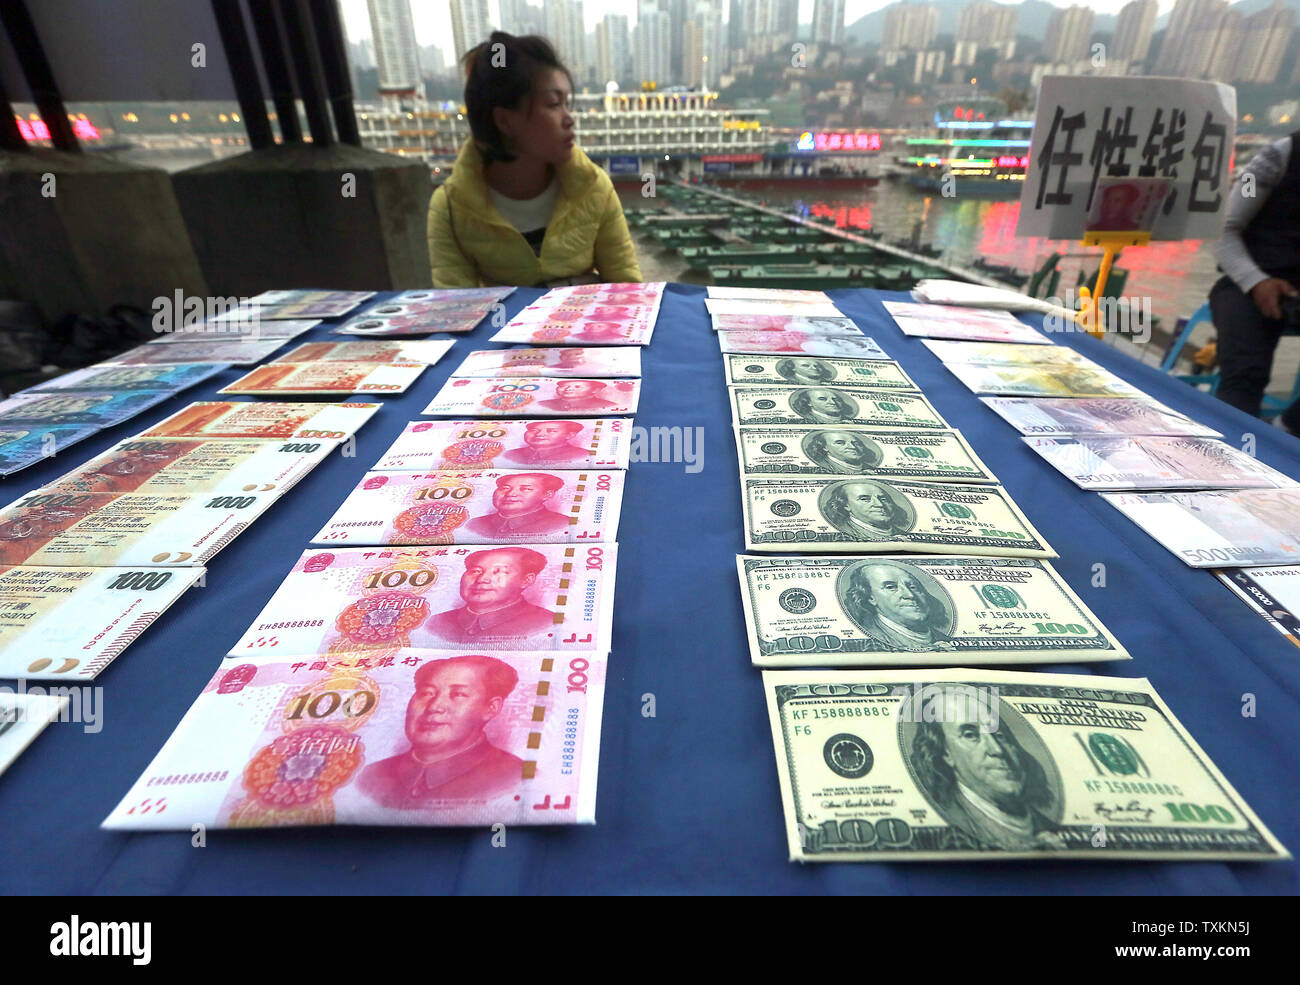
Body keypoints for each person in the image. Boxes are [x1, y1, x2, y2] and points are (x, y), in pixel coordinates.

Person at [426, 33, 641, 288]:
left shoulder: (594, 187)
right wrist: (576, 283)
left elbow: (629, 292)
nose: (569, 119)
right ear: (505, 121)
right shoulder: (450, 209)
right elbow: (458, 315)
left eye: (567, 104)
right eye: (553, 104)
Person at [1210, 130, 1300, 432]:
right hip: (1247, 282)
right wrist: (1256, 281)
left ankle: (1283, 429)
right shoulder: (1273, 158)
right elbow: (1223, 229)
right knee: (1244, 374)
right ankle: (1230, 452)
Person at [907, 686, 1063, 851]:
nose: (997, 749)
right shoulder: (950, 836)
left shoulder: (1055, 829)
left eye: (1000, 735)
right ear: (945, 753)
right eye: (970, 735)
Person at [357, 655, 525, 807]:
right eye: (427, 693)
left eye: (458, 694)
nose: (434, 707)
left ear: (490, 708)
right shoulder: (370, 776)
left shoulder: (516, 777)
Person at [428, 546, 556, 643]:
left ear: (526, 580)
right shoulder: (436, 622)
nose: (482, 579)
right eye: (475, 571)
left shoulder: (548, 623)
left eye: (499, 571)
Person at [841, 560, 952, 650]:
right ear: (870, 597)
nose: (909, 595)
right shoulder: (871, 640)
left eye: (913, 587)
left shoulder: (946, 640)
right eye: (890, 587)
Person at [466, 473, 570, 538]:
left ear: (547, 495)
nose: (510, 494)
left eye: (525, 489)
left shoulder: (564, 524)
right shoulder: (475, 524)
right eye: (505, 488)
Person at [821, 479, 913, 541]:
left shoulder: (904, 535)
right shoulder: (843, 534)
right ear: (845, 505)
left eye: (884, 499)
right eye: (865, 499)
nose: (879, 504)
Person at [502, 420, 591, 464]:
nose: (540, 434)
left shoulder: (581, 455)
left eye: (551, 431)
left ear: (570, 435)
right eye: (534, 430)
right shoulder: (511, 454)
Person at [802, 430, 882, 474]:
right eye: (840, 443)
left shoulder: (869, 468)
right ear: (824, 447)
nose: (852, 447)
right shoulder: (823, 466)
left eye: (856, 443)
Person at [537, 379, 620, 412]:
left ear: (595, 390)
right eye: (563, 386)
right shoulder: (545, 404)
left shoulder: (607, 405)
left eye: (577, 386)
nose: (568, 389)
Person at [788, 387, 859, 424]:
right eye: (822, 399)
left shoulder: (846, 419)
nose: (833, 402)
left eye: (835, 399)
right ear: (809, 403)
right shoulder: (807, 420)